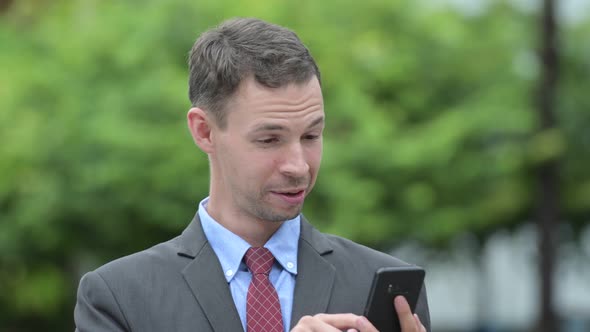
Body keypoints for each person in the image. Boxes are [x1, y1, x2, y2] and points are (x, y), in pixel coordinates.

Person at [74, 17, 431, 332]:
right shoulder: (119, 297)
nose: (299, 165)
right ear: (204, 131)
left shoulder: (382, 284)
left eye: (311, 136)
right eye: (269, 139)